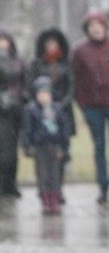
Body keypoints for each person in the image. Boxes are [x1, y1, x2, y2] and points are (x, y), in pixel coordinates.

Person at [71, 9, 109, 204]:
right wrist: (83, 102)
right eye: (91, 26)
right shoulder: (80, 51)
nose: (96, 30)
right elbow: (76, 78)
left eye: (99, 25)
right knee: (99, 146)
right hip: (92, 105)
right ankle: (102, 186)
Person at [29, 28, 74, 198]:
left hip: (62, 112)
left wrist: (61, 105)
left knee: (61, 151)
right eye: (48, 43)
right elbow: (30, 86)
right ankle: (44, 188)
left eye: (54, 43)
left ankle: (58, 188)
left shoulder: (65, 64)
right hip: (41, 114)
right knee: (42, 155)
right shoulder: (37, 64)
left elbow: (71, 86)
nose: (51, 46)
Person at [21, 77, 69, 214]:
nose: (43, 96)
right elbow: (27, 130)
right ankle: (45, 200)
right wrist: (27, 146)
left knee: (55, 174)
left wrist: (64, 147)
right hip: (40, 147)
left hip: (55, 146)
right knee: (42, 175)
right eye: (40, 93)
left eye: (46, 93)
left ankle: (55, 199)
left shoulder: (58, 109)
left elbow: (64, 128)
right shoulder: (31, 110)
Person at [0, 30, 26, 196]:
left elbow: (25, 80)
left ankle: (11, 183)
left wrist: (22, 97)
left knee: (12, 150)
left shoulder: (18, 61)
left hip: (16, 109)